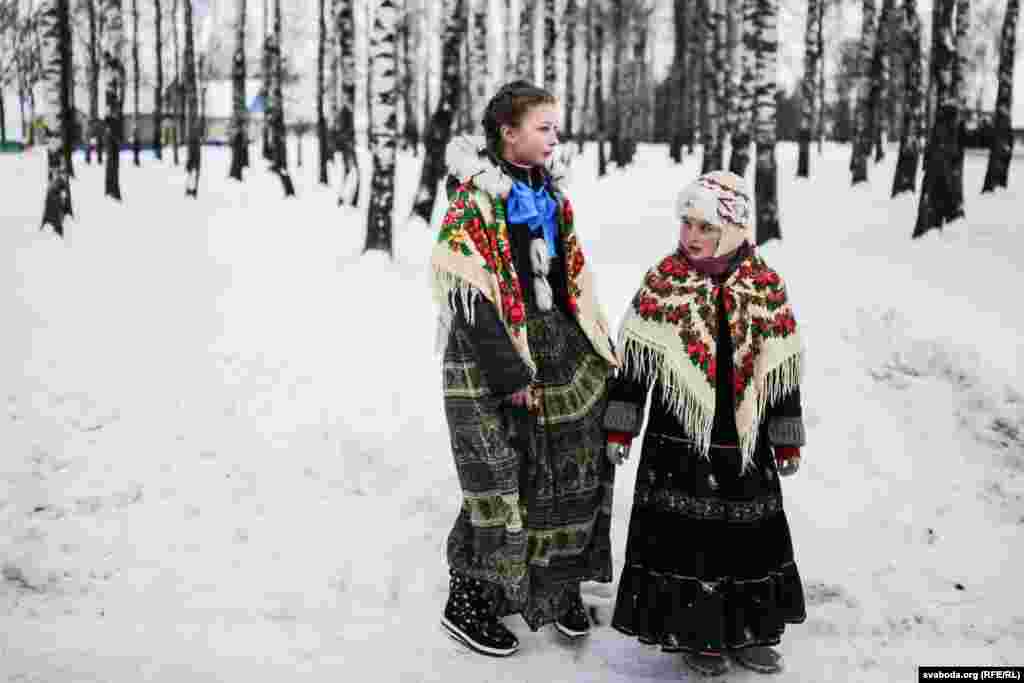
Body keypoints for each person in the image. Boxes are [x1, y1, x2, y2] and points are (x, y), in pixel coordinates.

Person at [430, 81, 621, 657]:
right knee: (501, 476)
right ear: (508, 133)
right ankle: (470, 601)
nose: (554, 137)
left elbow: (571, 280)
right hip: (494, 356)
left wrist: (594, 341)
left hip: (554, 345)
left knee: (569, 460)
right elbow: (468, 294)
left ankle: (557, 584)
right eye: (544, 127)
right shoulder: (474, 201)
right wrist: (510, 375)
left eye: (555, 127)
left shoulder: (553, 196)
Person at [605, 171, 807, 677]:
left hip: (746, 436)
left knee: (747, 535)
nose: (691, 236)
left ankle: (751, 629)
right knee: (687, 538)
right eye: (686, 223)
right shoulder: (663, 281)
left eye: (704, 226)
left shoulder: (764, 284)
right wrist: (620, 426)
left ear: (733, 227)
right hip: (678, 439)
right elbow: (634, 363)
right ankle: (699, 633)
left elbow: (780, 367)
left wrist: (785, 437)